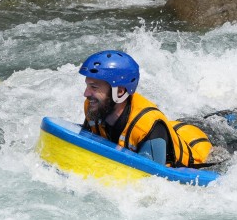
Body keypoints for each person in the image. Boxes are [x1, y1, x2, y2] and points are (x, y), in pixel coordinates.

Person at [78, 50, 210, 167]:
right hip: (173, 130)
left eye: (94, 87)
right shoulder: (94, 107)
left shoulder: (148, 127)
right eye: (87, 86)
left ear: (119, 91)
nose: (86, 94)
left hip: (198, 148)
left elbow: (151, 180)